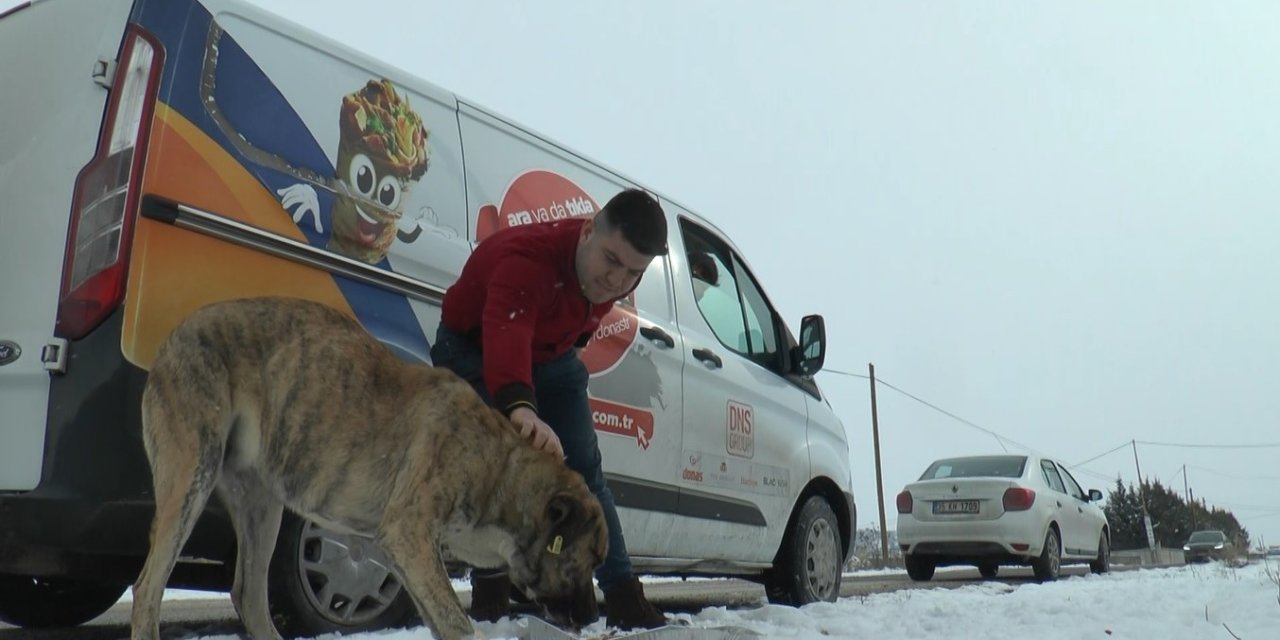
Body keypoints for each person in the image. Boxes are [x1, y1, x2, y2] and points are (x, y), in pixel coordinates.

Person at [429, 188, 668, 630]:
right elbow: (506, 340)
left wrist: (557, 375)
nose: (617, 280)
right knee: (494, 470)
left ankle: (624, 597)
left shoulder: (610, 276)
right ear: (587, 231)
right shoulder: (527, 262)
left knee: (586, 472)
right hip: (472, 346)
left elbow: (585, 318)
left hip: (550, 356)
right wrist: (521, 409)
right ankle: (491, 597)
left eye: (633, 272)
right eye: (612, 261)